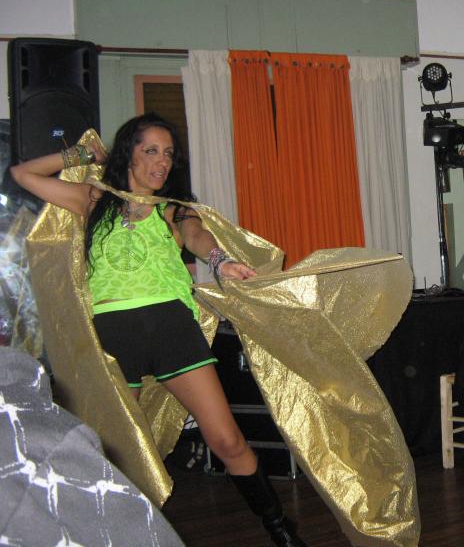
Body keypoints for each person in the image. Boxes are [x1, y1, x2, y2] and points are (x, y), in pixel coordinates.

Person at [11, 113, 306, 547]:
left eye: (168, 153)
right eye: (150, 150)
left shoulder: (173, 208)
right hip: (115, 337)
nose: (161, 161)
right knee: (118, 456)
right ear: (127, 153)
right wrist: (81, 155)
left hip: (173, 331)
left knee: (228, 440)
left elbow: (198, 236)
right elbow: (22, 174)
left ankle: (281, 532)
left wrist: (220, 261)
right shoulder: (94, 200)